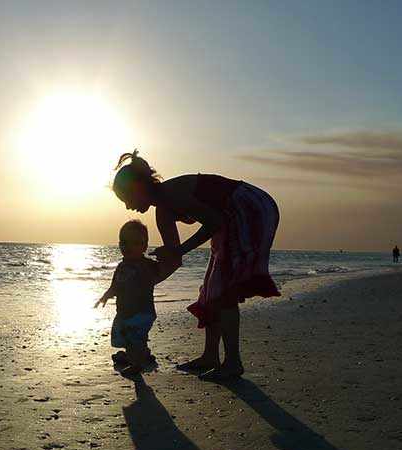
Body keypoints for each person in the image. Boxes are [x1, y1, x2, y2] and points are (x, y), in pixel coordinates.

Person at [111, 150, 280, 381]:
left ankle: (232, 363)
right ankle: (210, 357)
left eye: (128, 199)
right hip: (228, 218)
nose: (128, 207)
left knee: (224, 290)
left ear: (139, 187)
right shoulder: (163, 212)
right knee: (211, 290)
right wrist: (140, 280)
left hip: (249, 208)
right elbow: (174, 260)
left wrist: (178, 250)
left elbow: (213, 222)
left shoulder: (172, 192)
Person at [95, 219, 165, 377]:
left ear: (144, 246)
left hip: (142, 312)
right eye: (124, 242)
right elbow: (115, 286)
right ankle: (141, 356)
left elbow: (162, 269)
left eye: (135, 243)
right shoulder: (121, 266)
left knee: (134, 339)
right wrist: (106, 295)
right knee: (128, 338)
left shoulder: (147, 265)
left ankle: (137, 364)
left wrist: (163, 256)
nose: (128, 247)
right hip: (125, 312)